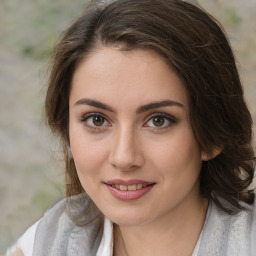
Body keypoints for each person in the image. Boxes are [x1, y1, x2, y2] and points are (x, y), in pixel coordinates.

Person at [6, 0, 256, 255]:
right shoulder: (43, 244)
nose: (124, 157)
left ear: (213, 135)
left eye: (159, 120)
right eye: (97, 120)